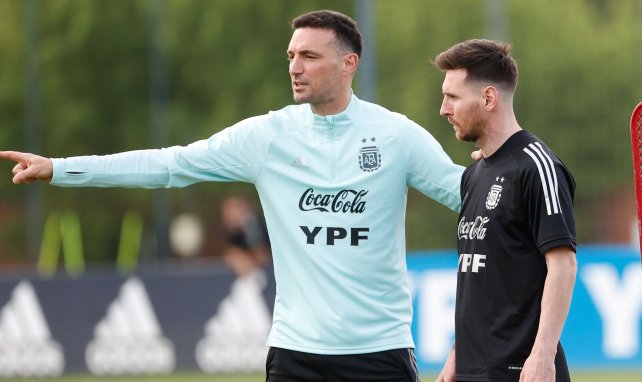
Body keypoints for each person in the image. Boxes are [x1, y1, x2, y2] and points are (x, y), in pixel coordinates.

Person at [0, 10, 464, 381]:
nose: (295, 67)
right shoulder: (267, 137)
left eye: (309, 56)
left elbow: (469, 196)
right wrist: (61, 169)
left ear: (349, 63)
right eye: (290, 55)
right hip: (294, 353)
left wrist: (520, 170)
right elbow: (169, 164)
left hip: (377, 353)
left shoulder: (396, 136)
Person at [433, 39, 577, 382]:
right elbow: (479, 278)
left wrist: (543, 355)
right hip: (472, 369)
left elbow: (563, 265)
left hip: (521, 370)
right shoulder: (473, 174)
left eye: (453, 97)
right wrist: (457, 353)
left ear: (488, 98)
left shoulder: (538, 167)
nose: (443, 109)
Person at [219, 195, 271, 278]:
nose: (228, 217)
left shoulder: (257, 226)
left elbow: (263, 256)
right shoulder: (232, 233)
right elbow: (230, 254)